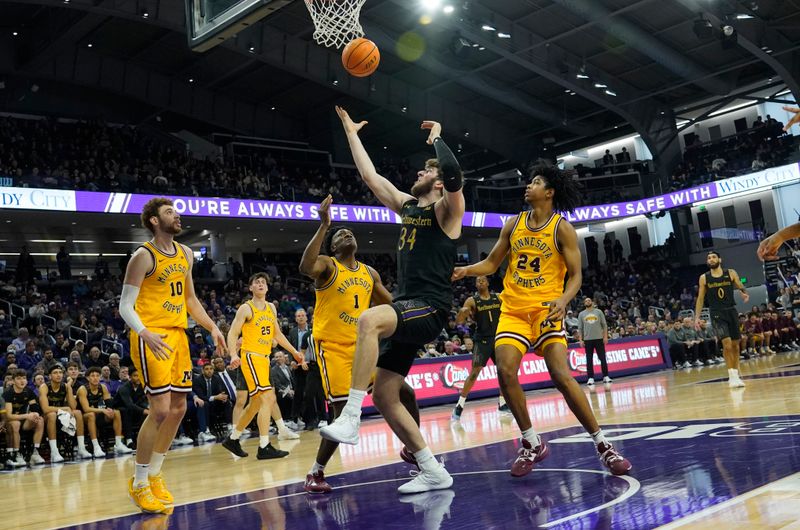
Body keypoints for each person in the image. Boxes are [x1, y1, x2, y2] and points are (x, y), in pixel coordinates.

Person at [452, 161, 631, 478]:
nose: (527, 186)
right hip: (514, 310)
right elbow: (493, 263)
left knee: (560, 375)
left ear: (548, 192)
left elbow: (576, 276)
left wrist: (563, 300)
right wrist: (467, 269)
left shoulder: (561, 228)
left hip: (547, 308)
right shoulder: (514, 223)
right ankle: (531, 442)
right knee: (505, 371)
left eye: (534, 182)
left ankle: (603, 444)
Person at [321, 107, 463, 494]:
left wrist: (437, 138)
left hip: (430, 306)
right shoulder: (408, 207)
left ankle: (350, 416)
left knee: (369, 320)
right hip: (408, 305)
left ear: (437, 182)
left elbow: (454, 175)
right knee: (385, 394)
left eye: (425, 171)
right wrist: (351, 132)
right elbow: (370, 176)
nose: (419, 173)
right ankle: (432, 468)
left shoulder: (448, 211)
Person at [119, 197, 227, 514]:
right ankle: (138, 483)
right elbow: (125, 306)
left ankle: (154, 475)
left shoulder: (186, 254)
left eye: (176, 211)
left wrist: (212, 328)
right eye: (169, 212)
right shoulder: (143, 256)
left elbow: (191, 299)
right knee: (161, 410)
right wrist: (145, 333)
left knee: (179, 408)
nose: (176, 216)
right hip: (151, 335)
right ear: (154, 220)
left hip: (178, 335)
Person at [299, 195, 392, 493]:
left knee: (401, 392)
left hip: (365, 349)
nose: (347, 234)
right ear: (334, 247)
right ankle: (316, 472)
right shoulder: (326, 265)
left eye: (349, 232)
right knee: (342, 416)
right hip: (334, 349)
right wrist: (324, 225)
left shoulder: (369, 273)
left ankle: (414, 453)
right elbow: (306, 266)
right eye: (340, 234)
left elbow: (391, 307)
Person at [221, 273, 305, 460]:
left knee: (257, 403)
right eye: (256, 282)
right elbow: (233, 333)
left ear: (267, 288)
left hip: (265, 359)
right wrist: (233, 354)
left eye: (263, 282)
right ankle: (264, 445)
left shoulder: (271, 309)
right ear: (250, 288)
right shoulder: (246, 308)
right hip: (251, 357)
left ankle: (233, 439)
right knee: (268, 398)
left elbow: (278, 335)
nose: (260, 284)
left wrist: (294, 352)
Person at [451, 276, 507, 421]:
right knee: (474, 373)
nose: (481, 282)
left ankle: (503, 402)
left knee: (504, 372)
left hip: (498, 337)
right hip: (482, 340)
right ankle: (459, 405)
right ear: (475, 285)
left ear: (488, 282)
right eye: (478, 281)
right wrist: (462, 315)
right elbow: (459, 323)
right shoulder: (471, 301)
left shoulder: (499, 297)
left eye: (483, 280)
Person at [694, 251, 749, 387]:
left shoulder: (730, 273)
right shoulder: (704, 278)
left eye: (713, 257)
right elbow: (700, 298)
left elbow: (740, 285)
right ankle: (731, 376)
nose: (711, 259)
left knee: (736, 345)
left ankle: (736, 375)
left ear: (720, 259)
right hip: (716, 313)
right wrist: (697, 317)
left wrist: (744, 293)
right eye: (708, 258)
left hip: (731, 310)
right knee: (727, 344)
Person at [39, 364, 92, 461]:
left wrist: (69, 388)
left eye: (60, 373)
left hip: (61, 415)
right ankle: (54, 452)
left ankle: (81, 448)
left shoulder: (65, 386)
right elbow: (45, 409)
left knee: (78, 413)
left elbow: (73, 406)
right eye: (55, 373)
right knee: (51, 415)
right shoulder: (44, 387)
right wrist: (65, 409)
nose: (58, 375)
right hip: (46, 417)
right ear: (50, 376)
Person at [76, 366, 131, 458]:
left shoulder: (103, 387)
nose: (95, 378)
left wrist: (109, 409)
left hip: (97, 414)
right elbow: (86, 409)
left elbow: (109, 403)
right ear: (87, 378)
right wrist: (102, 410)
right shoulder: (83, 389)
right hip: (82, 417)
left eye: (97, 375)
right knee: (91, 415)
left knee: (116, 412)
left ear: (100, 377)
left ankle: (118, 444)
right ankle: (96, 446)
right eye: (92, 376)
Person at [3, 369, 45, 467]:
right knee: (16, 423)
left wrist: (35, 414)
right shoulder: (8, 393)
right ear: (13, 381)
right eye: (18, 378)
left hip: (23, 422)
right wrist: (27, 415)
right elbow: (9, 416)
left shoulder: (28, 391)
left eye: (24, 378)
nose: (22, 381)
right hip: (9, 422)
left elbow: (35, 406)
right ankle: (17, 454)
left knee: (40, 420)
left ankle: (35, 452)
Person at [578, 297, 610, 385]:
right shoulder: (581, 314)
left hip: (599, 338)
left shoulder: (598, 312)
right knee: (589, 360)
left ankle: (606, 376)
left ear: (592, 302)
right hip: (588, 340)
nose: (587, 302)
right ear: (584, 304)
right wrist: (580, 340)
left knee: (602, 358)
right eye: (586, 301)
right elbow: (580, 328)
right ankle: (591, 378)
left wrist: (605, 337)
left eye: (589, 300)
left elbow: (604, 325)